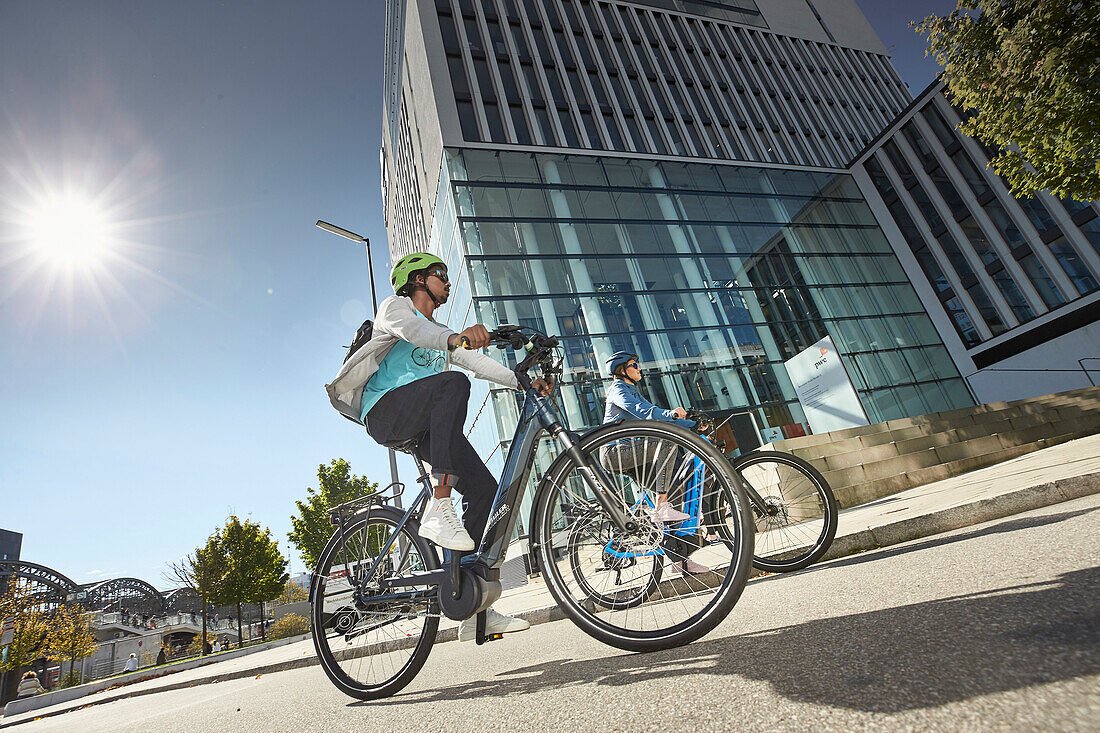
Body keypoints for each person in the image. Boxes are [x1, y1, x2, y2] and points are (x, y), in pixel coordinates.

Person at [329, 252, 554, 642]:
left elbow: (476, 363)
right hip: (385, 412)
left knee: (486, 490)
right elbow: (417, 333)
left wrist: (523, 383)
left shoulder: (442, 331)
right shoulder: (394, 308)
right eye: (440, 276)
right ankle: (440, 502)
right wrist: (456, 337)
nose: (447, 283)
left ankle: (470, 605)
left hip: (423, 419)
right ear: (417, 280)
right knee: (453, 384)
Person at [601, 351, 708, 574]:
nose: (639, 368)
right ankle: (660, 505)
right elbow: (645, 413)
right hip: (615, 452)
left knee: (675, 487)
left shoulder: (633, 390)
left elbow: (657, 417)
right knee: (665, 438)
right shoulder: (618, 389)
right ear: (622, 370)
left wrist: (692, 425)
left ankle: (680, 562)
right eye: (634, 365)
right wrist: (672, 414)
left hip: (633, 453)